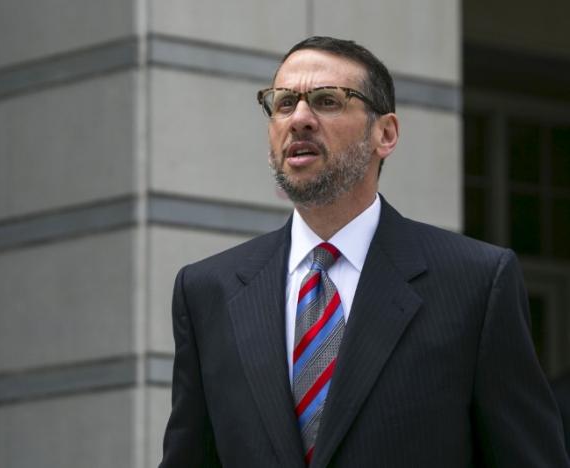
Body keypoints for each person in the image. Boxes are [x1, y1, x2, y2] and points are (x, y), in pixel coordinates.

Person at [159, 36, 569, 467]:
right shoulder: (207, 291)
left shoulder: (477, 283)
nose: (300, 118)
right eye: (283, 104)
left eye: (327, 101)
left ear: (385, 133)